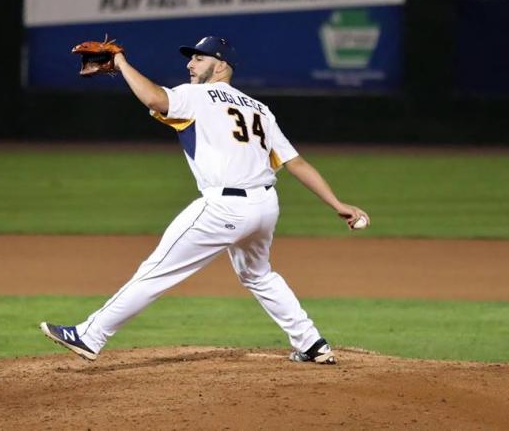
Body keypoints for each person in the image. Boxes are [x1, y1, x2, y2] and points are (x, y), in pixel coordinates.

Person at [41, 36, 369, 365]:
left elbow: (154, 98)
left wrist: (123, 63)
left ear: (221, 65)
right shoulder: (260, 110)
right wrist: (337, 204)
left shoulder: (197, 96)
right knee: (258, 274)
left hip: (224, 207)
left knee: (157, 269)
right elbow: (295, 163)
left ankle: (91, 335)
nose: (190, 64)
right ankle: (311, 342)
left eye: (199, 59)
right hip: (265, 206)